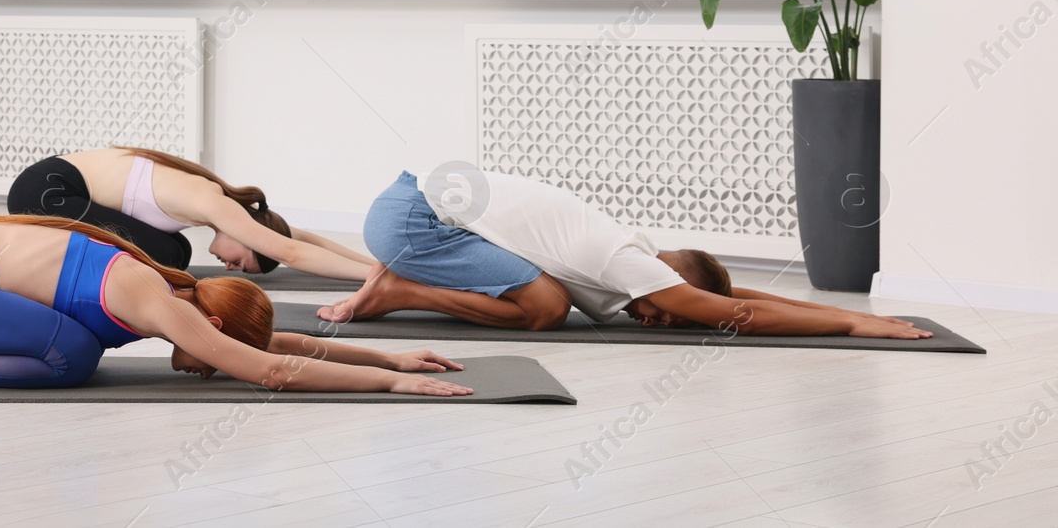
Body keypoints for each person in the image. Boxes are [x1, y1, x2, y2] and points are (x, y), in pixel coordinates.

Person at [0, 214, 473, 396]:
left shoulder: (179, 293)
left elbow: (275, 346)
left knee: (75, 345)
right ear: (210, 323)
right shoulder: (158, 298)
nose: (210, 366)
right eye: (217, 354)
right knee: (72, 356)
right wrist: (390, 383)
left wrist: (388, 351)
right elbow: (270, 369)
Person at [318, 169, 933, 341]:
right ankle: (399, 288)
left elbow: (727, 300)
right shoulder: (627, 263)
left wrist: (818, 306)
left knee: (548, 297)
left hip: (409, 206)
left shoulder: (638, 259)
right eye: (669, 308)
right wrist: (851, 319)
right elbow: (734, 316)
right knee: (545, 309)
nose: (662, 317)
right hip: (410, 221)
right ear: (665, 278)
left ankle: (400, 279)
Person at [5, 148, 373, 280]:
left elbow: (299, 237)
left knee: (175, 250)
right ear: (247, 237)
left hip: (50, 185)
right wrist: (373, 277)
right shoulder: (212, 202)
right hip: (46, 192)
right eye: (242, 264)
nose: (230, 268)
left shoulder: (225, 205)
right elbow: (289, 252)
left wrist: (377, 264)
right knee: (170, 255)